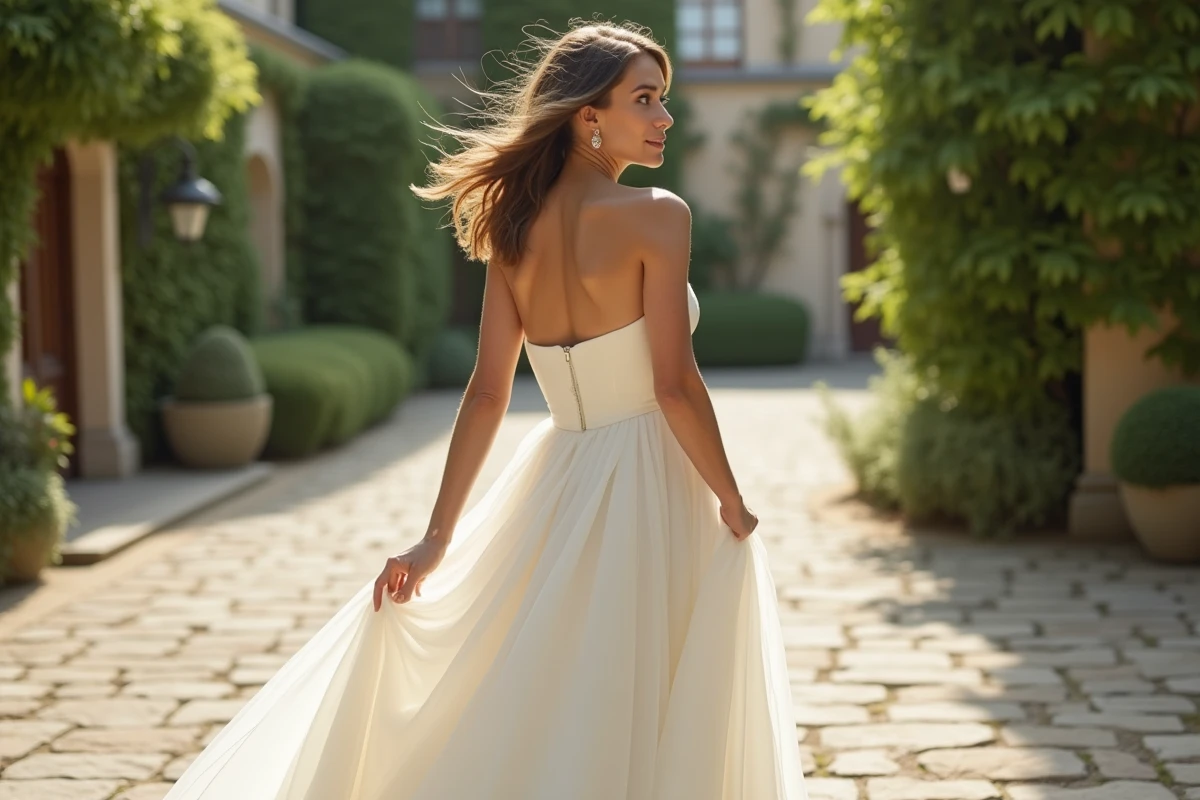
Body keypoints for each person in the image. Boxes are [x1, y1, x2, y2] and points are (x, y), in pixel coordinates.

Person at [163, 20, 807, 800]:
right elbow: (673, 384)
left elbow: (488, 392)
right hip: (647, 479)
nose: (665, 117)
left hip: (559, 478)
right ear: (588, 115)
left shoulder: (513, 227)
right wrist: (731, 499)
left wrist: (437, 538)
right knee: (638, 689)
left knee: (554, 683)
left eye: (663, 99)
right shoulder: (659, 215)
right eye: (646, 99)